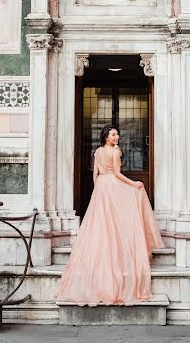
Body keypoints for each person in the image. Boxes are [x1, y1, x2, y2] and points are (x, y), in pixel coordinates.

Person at [55, 124, 164, 305]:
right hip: (113, 183)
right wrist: (134, 183)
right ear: (106, 136)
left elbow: (95, 174)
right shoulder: (115, 151)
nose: (117, 137)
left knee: (101, 222)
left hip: (101, 186)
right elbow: (119, 174)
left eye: (117, 134)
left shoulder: (97, 152)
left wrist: (98, 188)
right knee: (121, 213)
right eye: (114, 134)